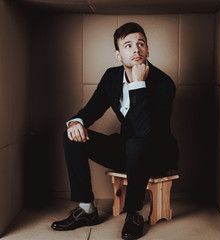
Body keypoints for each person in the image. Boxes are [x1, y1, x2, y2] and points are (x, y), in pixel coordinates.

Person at [51, 22, 179, 239]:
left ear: (147, 50)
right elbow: (90, 111)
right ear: (118, 55)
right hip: (127, 150)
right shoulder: (111, 77)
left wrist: (138, 86)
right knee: (71, 135)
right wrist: (76, 122)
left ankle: (134, 214)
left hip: (155, 154)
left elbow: (146, 133)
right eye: (128, 45)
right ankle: (87, 210)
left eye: (141, 44)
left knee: (138, 143)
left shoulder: (164, 84)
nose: (136, 49)